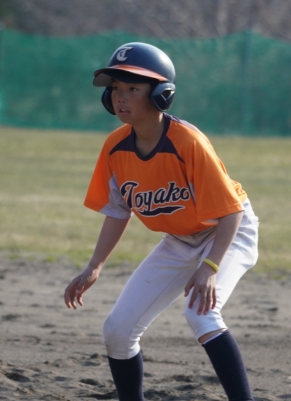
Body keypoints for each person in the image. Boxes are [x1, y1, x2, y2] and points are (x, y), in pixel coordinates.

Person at [64, 42, 259, 401]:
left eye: (133, 88)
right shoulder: (115, 147)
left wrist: (210, 267)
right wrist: (95, 266)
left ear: (161, 94)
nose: (121, 97)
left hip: (227, 232)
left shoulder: (188, 142)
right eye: (115, 89)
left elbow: (230, 212)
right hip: (179, 240)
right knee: (118, 331)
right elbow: (118, 210)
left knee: (201, 315)